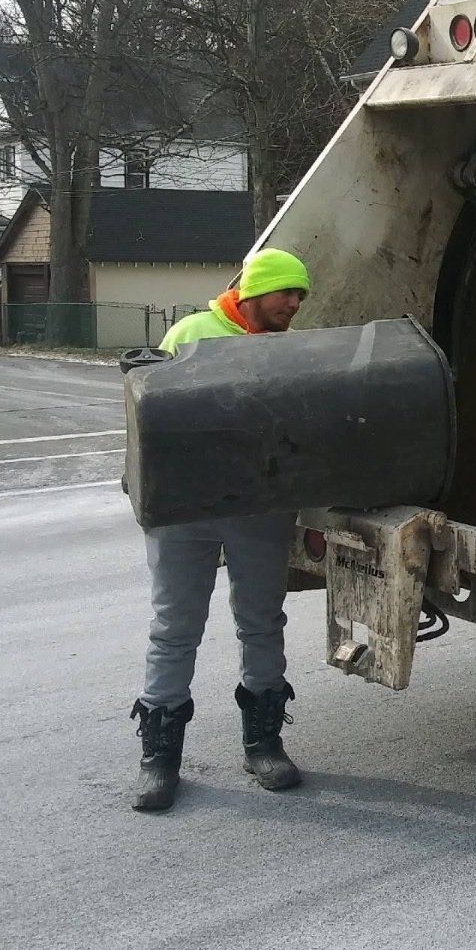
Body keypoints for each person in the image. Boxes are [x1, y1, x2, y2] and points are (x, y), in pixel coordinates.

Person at [129, 246, 312, 813]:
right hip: (187, 509)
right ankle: (159, 758)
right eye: (287, 292)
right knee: (174, 627)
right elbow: (148, 417)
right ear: (256, 291)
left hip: (259, 506)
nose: (294, 305)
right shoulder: (191, 331)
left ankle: (264, 743)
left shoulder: (291, 349)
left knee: (262, 622)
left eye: (300, 296)